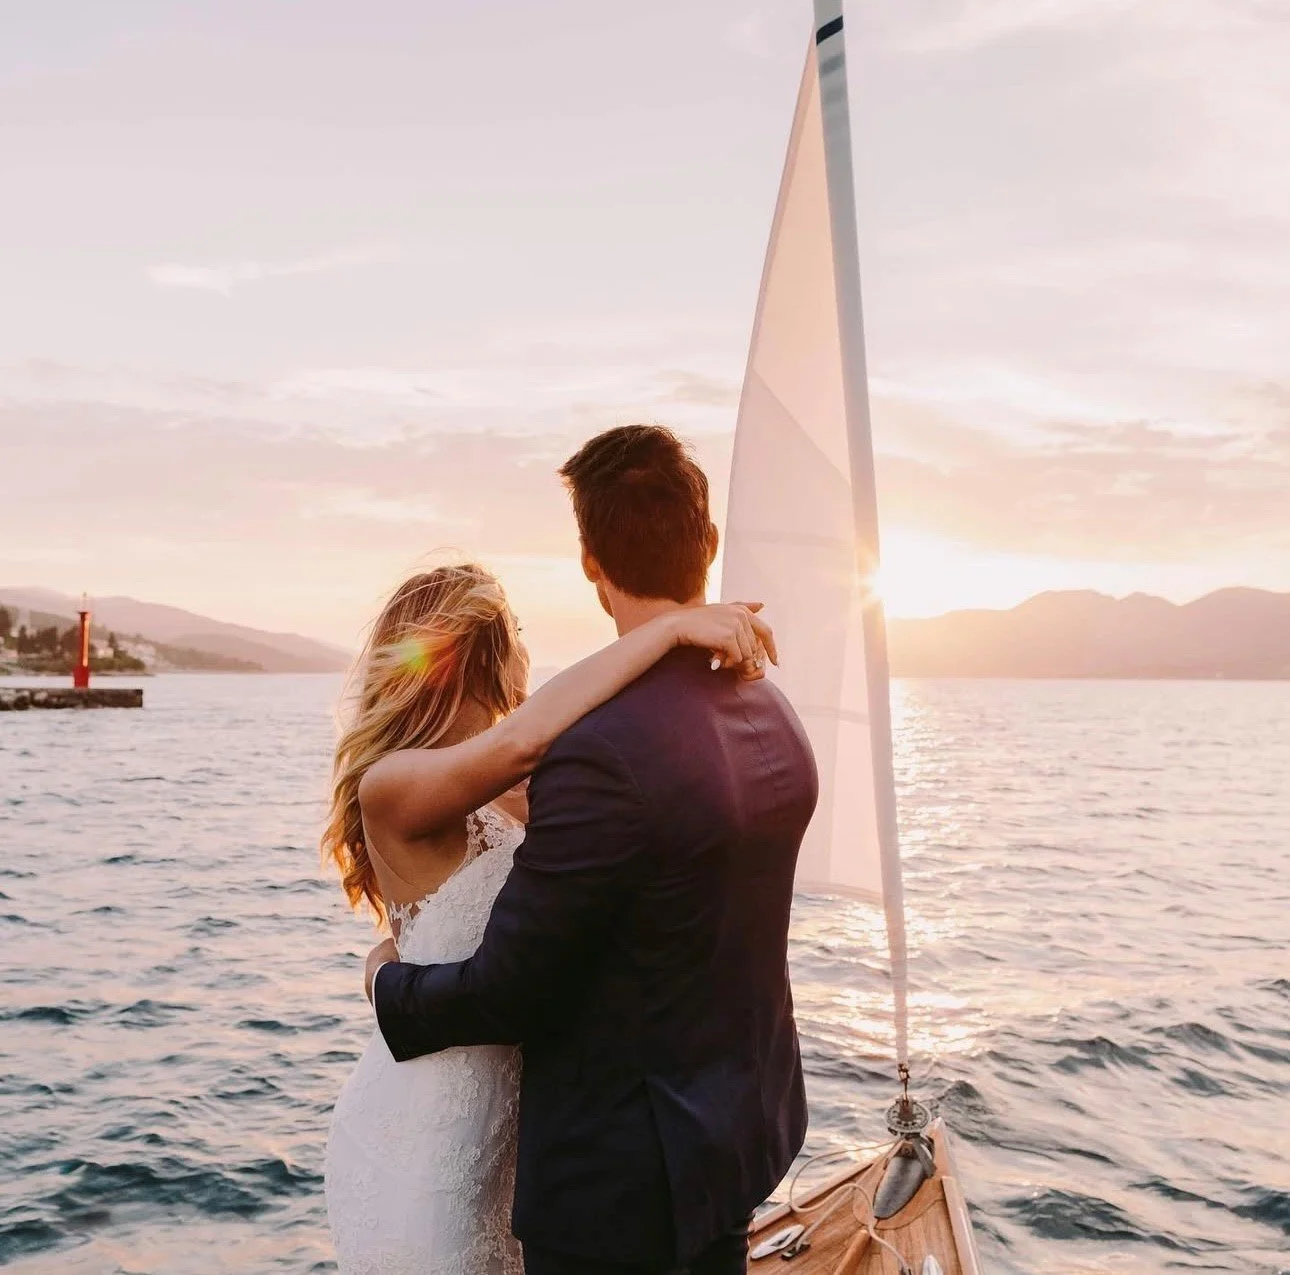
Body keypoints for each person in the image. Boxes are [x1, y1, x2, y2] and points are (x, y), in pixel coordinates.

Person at [354, 424, 817, 1274]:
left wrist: (390, 984)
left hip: (620, 1179)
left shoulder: (594, 756)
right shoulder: (773, 716)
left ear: (589, 562)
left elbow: (510, 988)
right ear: (707, 544)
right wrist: (674, 630)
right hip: (730, 1137)